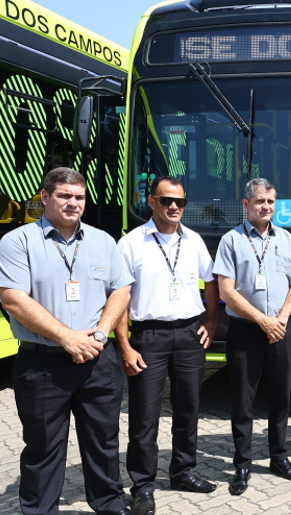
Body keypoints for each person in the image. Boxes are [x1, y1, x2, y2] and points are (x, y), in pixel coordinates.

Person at [0, 167, 134, 515]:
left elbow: (121, 290)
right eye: (64, 195)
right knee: (43, 445)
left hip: (98, 359)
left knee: (103, 439)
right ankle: (40, 510)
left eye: (79, 197)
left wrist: (99, 334)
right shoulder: (18, 241)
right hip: (43, 363)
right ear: (45, 197)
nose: (73, 203)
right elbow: (12, 299)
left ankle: (109, 502)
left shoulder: (102, 241)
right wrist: (66, 337)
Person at [114, 175, 218, 515]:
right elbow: (119, 296)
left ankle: (183, 471)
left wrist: (211, 321)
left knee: (188, 409)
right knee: (144, 416)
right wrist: (125, 345)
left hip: (189, 334)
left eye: (180, 201)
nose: (174, 207)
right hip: (149, 336)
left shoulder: (194, 240)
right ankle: (143, 486)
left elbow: (211, 280)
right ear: (151, 202)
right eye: (166, 200)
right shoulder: (131, 243)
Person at [214, 178, 291, 495]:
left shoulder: (286, 239)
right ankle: (242, 464)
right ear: (246, 204)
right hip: (245, 330)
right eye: (259, 201)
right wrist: (262, 320)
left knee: (281, 396)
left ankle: (279, 457)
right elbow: (226, 291)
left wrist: (280, 319)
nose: (266, 207)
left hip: (282, 328)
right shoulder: (231, 240)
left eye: (270, 201)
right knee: (243, 399)